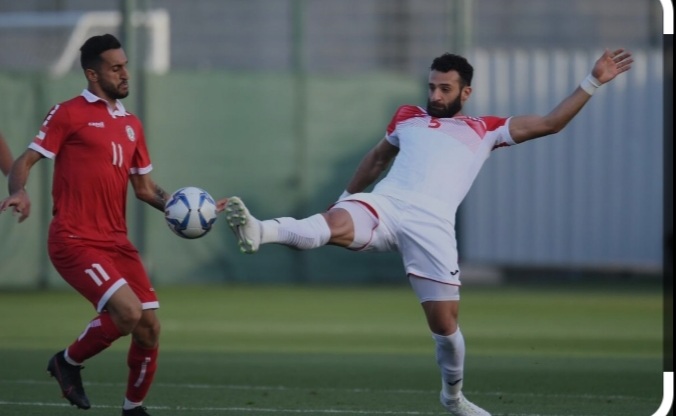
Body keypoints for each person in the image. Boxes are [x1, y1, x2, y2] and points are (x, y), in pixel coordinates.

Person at [218, 48, 633, 416]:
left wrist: (593, 80)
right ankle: (258, 231)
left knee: (446, 330)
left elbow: (550, 122)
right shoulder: (407, 116)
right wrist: (345, 198)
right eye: (432, 86)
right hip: (386, 204)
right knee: (332, 223)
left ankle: (453, 397)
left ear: (465, 92)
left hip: (432, 227)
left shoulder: (485, 128)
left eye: (445, 89)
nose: (435, 95)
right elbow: (377, 159)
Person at [0, 34, 171, 416]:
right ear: (93, 74)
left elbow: (145, 189)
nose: (125, 74)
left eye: (125, 66)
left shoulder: (131, 124)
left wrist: (185, 209)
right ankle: (67, 362)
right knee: (127, 313)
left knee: (149, 328)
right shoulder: (68, 113)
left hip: (116, 242)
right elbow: (25, 160)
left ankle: (133, 408)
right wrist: (19, 191)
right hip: (74, 239)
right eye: (116, 68)